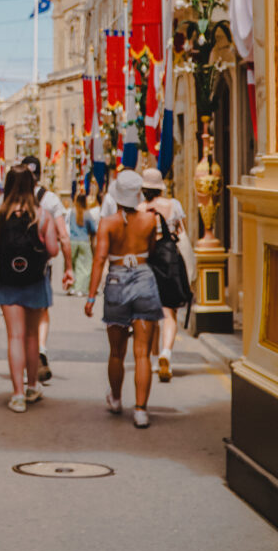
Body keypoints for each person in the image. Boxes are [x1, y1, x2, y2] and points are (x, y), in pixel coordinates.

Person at [84, 168, 163, 429]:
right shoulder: (150, 220)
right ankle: (141, 410)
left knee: (117, 352)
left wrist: (91, 296)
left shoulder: (107, 223)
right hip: (143, 279)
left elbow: (99, 260)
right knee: (142, 353)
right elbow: (151, 250)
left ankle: (116, 399)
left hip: (117, 281)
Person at [0, 165, 58, 412]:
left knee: (14, 336)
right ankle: (32, 385)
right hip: (35, 281)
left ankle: (16, 394)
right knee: (31, 336)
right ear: (31, 185)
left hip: (7, 281)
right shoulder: (42, 215)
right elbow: (53, 249)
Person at [22, 155, 74, 382]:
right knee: (41, 310)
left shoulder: (12, 198)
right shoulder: (51, 199)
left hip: (15, 266)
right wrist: (69, 267)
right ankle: (40, 348)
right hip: (42, 264)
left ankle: (25, 363)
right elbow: (64, 236)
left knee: (20, 315)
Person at [139, 166, 191, 383]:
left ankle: (152, 359)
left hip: (147, 262)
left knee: (151, 312)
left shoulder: (139, 208)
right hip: (169, 260)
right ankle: (165, 353)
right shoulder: (173, 205)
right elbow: (181, 231)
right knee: (169, 312)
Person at [68, 193, 97, 296]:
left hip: (72, 240)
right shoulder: (87, 214)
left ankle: (71, 287)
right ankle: (80, 288)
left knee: (72, 264)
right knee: (84, 266)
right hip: (84, 241)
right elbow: (93, 229)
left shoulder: (72, 212)